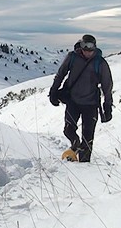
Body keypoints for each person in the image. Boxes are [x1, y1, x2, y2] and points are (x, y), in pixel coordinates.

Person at [48, 34, 113, 162]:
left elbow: (107, 85)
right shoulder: (72, 57)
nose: (88, 50)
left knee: (88, 138)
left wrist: (108, 106)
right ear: (81, 45)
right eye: (85, 46)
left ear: (95, 47)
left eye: (91, 47)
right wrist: (53, 91)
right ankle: (75, 144)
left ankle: (84, 166)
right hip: (73, 101)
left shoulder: (100, 63)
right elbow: (60, 74)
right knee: (68, 129)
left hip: (91, 104)